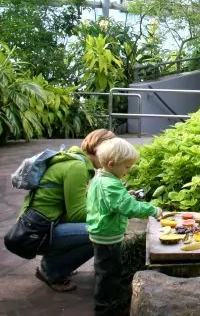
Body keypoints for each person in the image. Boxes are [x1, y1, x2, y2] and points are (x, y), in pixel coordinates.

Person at [14, 129, 116, 292]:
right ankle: (52, 271)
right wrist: (110, 211)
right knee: (103, 231)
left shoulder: (73, 159)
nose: (113, 158)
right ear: (98, 149)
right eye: (112, 152)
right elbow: (76, 214)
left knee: (97, 227)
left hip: (38, 228)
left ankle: (56, 263)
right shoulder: (77, 167)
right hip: (36, 235)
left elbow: (74, 206)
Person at [86, 137, 162, 315]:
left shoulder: (101, 178)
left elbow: (112, 200)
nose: (128, 171)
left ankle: (112, 297)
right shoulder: (110, 184)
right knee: (107, 273)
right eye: (126, 167)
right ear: (112, 164)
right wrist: (153, 210)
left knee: (110, 268)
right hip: (107, 235)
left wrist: (126, 194)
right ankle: (104, 307)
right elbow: (128, 207)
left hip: (103, 232)